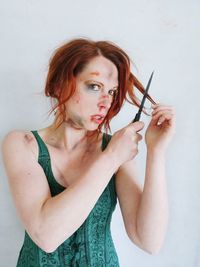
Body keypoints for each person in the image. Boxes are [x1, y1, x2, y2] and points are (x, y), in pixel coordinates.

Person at [2, 38, 176, 267]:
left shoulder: (113, 148)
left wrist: (156, 151)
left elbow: (149, 241)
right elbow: (46, 236)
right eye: (94, 86)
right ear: (59, 85)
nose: (106, 102)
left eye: (112, 91)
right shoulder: (22, 144)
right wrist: (111, 158)